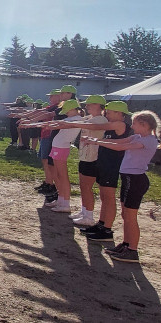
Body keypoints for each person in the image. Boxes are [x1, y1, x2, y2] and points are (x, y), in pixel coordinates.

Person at [42, 100, 133, 243]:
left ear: (119, 113)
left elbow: (96, 125)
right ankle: (101, 224)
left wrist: (72, 124)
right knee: (104, 196)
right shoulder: (109, 124)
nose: (107, 113)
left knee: (108, 197)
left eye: (109, 112)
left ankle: (106, 229)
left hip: (112, 165)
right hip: (103, 163)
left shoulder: (119, 124)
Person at [82, 110, 161, 263]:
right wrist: (94, 140)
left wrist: (96, 141)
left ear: (144, 125)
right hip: (129, 179)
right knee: (126, 215)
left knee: (130, 217)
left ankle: (132, 250)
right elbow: (119, 142)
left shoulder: (148, 140)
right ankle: (126, 245)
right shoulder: (138, 136)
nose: (131, 126)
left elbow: (120, 148)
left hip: (136, 180)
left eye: (135, 123)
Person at [70, 95, 108, 226]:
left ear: (99, 106)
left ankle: (89, 216)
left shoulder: (101, 119)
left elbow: (82, 124)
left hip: (93, 157)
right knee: (83, 186)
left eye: (91, 104)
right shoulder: (90, 118)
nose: (87, 106)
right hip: (85, 156)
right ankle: (84, 211)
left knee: (87, 187)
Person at [45, 99, 83, 213]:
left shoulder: (76, 119)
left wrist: (36, 124)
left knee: (63, 176)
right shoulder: (70, 118)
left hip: (61, 148)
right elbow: (55, 124)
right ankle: (61, 200)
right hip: (58, 147)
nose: (65, 113)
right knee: (58, 175)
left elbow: (55, 125)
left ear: (73, 109)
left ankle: (65, 203)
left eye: (67, 110)